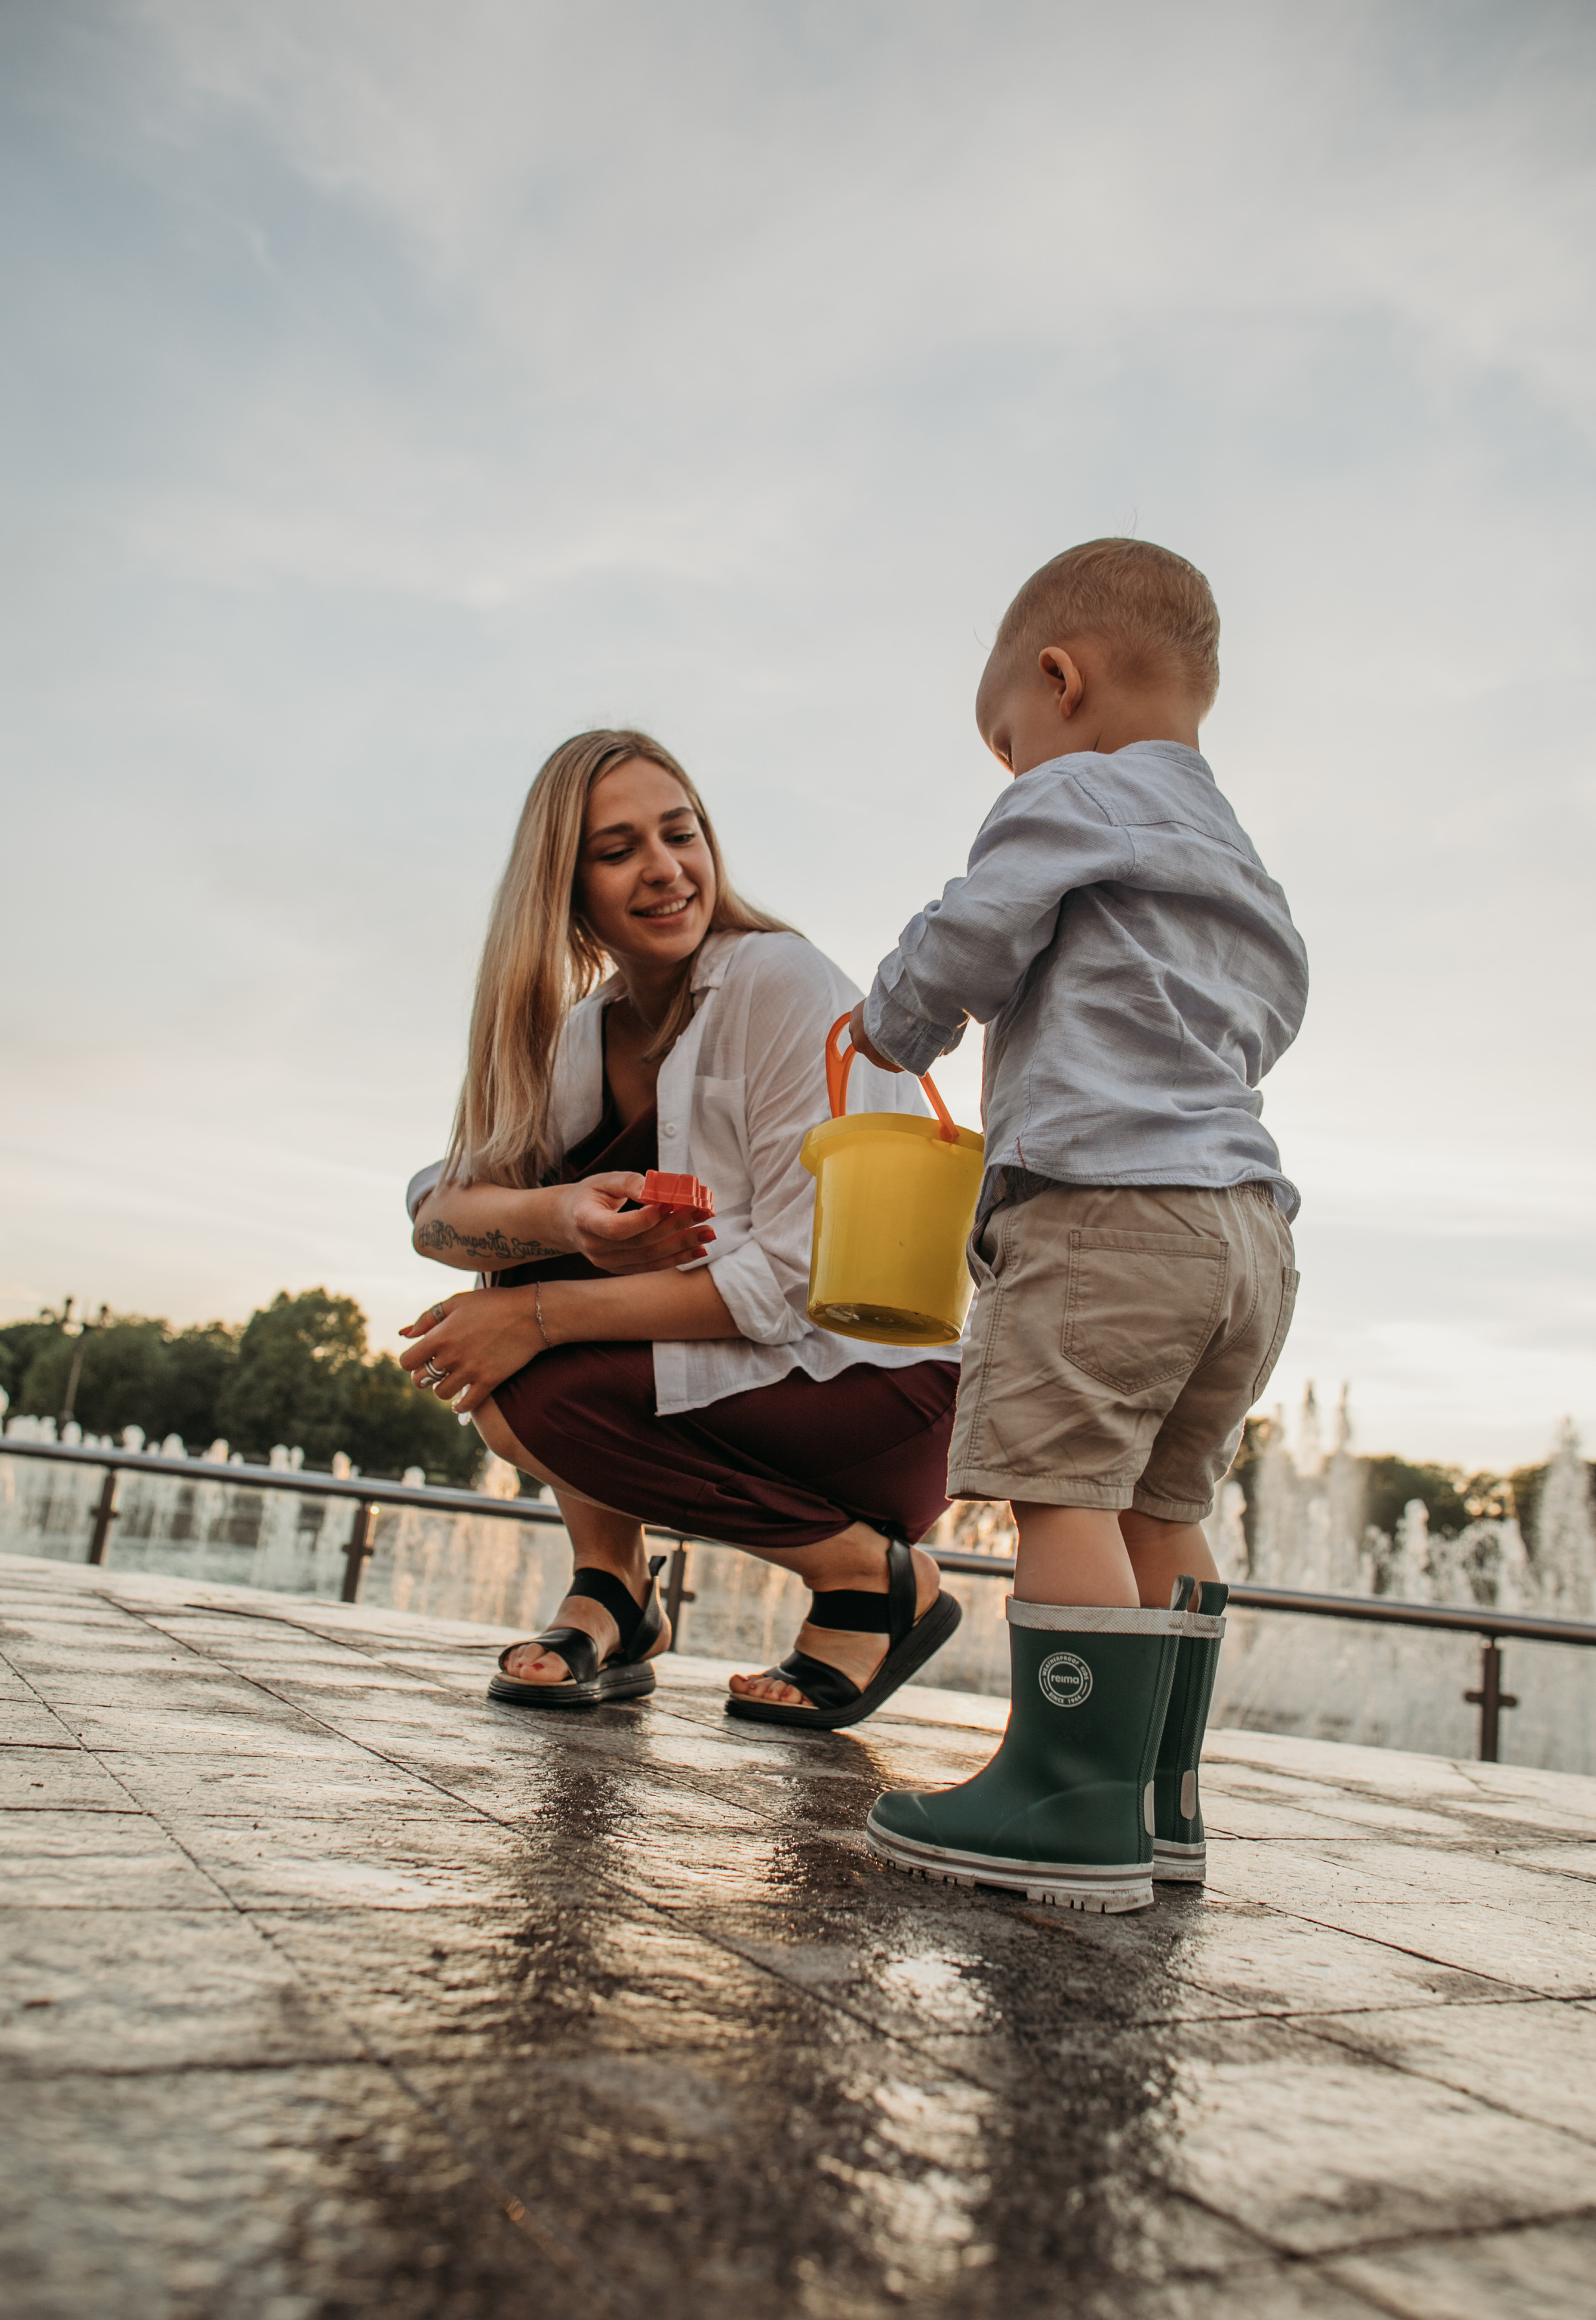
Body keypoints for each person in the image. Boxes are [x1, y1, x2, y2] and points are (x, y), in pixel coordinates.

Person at [847, 538, 1308, 1912]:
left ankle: (1065, 1804)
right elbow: (1272, 1013)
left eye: (1008, 742)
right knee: (1164, 1504)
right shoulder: (1233, 850)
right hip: (1243, 1237)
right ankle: (1157, 1803)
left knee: (1064, 1489)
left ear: (1058, 681)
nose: (1013, 771)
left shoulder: (1075, 796)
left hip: (1103, 1213)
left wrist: (888, 1020)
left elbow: (966, 937)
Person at [398, 727, 963, 1725]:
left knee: (524, 1387)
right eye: (618, 852)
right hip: (765, 1389)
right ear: (565, 890)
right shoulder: (587, 1032)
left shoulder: (776, 980)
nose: (666, 871)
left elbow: (791, 1285)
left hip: (882, 1391)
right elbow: (436, 1210)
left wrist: (536, 1317)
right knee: (537, 1233)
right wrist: (559, 1216)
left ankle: (869, 1579)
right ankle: (614, 1590)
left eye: (681, 833)